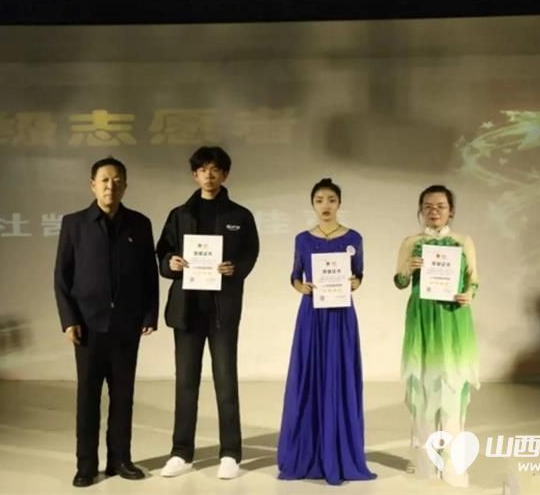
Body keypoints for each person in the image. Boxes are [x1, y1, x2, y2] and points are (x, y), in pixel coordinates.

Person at [54, 156, 159, 487]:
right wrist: (69, 319)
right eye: (104, 180)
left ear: (125, 186)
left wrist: (149, 314)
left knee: (123, 397)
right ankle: (86, 465)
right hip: (87, 326)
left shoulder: (139, 224)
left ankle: (120, 460)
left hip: (127, 325)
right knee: (88, 398)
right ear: (92, 185)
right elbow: (61, 276)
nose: (110, 186)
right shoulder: (74, 224)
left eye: (116, 180)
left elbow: (149, 273)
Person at [156, 146, 259, 479]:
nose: (209, 175)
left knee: (226, 381)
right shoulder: (179, 214)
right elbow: (163, 253)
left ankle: (230, 453)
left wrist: (235, 268)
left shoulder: (240, 216)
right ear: (194, 175)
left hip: (222, 311)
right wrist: (170, 263)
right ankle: (181, 453)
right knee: (185, 383)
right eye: (203, 170)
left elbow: (251, 252)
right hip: (187, 310)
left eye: (215, 169)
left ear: (225, 174)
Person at [277, 178, 376, 486]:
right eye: (319, 200)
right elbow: (295, 276)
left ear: (339, 203)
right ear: (312, 204)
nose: (325, 205)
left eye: (331, 199)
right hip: (312, 315)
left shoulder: (354, 238)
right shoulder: (302, 239)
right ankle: (309, 450)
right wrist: (301, 287)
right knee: (310, 375)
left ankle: (340, 450)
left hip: (341, 314)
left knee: (340, 375)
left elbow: (359, 275)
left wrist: (354, 283)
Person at [394, 184, 479, 487]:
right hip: (422, 320)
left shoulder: (463, 241)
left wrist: (469, 294)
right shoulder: (411, 242)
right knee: (424, 391)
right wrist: (408, 268)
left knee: (452, 391)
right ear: (421, 210)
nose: (434, 211)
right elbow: (400, 281)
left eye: (440, 206)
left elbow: (473, 280)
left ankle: (454, 467)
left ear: (450, 211)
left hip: (453, 318)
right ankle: (427, 466)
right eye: (428, 206)